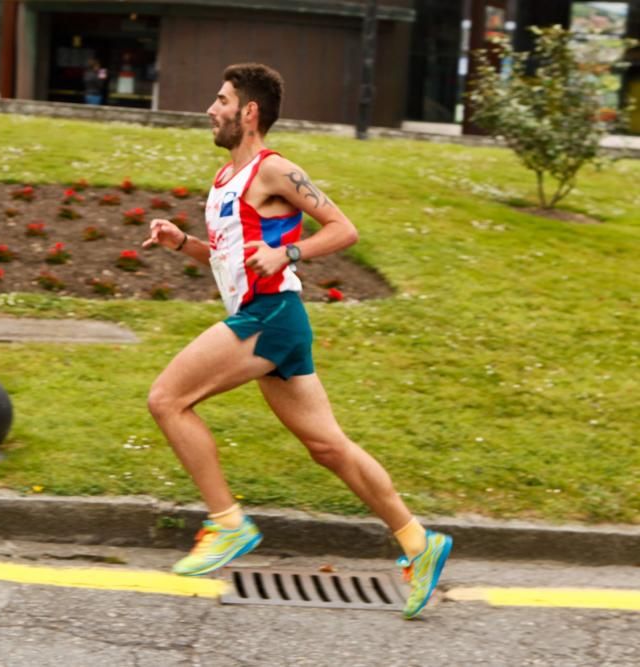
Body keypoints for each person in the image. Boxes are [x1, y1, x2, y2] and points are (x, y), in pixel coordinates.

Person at [142, 63, 452, 619]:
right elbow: (228, 258)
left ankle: (227, 523)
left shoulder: (275, 170)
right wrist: (181, 241)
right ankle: (418, 543)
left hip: (271, 315)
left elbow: (342, 229)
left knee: (167, 399)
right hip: (265, 318)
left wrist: (290, 253)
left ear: (249, 112)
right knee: (327, 447)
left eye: (221, 100)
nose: (211, 109)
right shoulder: (223, 180)